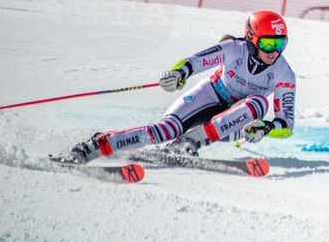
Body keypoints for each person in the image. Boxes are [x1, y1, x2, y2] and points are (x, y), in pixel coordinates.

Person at [58, 10, 296, 164]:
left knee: (259, 104)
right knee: (164, 130)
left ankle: (191, 142)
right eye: (268, 43)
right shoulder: (235, 48)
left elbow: (286, 124)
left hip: (235, 124)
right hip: (212, 95)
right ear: (252, 39)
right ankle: (97, 145)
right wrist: (178, 73)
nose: (274, 51)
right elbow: (194, 61)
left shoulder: (284, 73)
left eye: (280, 43)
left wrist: (265, 128)